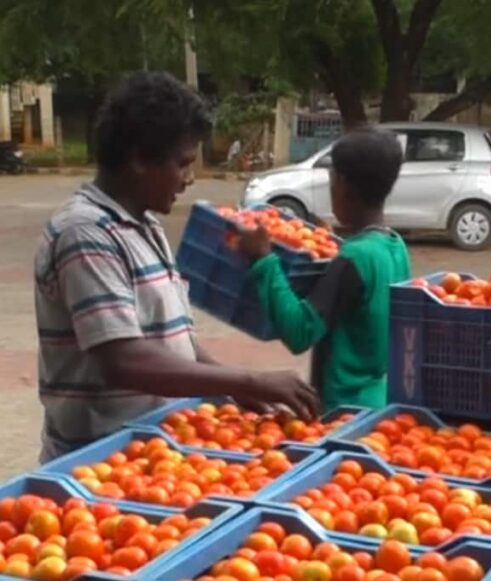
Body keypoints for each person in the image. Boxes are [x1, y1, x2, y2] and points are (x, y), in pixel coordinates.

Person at [33, 72, 318, 462]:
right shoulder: (86, 234)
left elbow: (168, 338)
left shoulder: (144, 225)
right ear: (138, 159)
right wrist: (250, 379)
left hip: (151, 451)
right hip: (96, 460)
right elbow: (124, 359)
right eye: (183, 163)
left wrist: (234, 385)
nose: (188, 179)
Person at [237, 127, 411, 411]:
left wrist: (264, 261)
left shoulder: (354, 258)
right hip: (377, 398)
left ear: (342, 184)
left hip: (343, 410)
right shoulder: (394, 246)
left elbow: (300, 332)